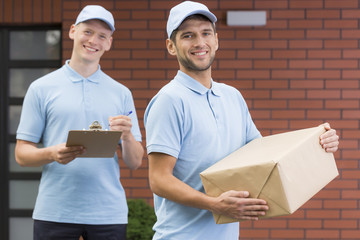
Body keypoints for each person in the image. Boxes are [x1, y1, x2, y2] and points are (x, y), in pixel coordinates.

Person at [144, 1, 339, 239]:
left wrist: (317, 142)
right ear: (171, 47)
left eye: (206, 33)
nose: (199, 42)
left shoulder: (232, 96)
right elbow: (159, 179)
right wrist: (214, 203)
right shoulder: (169, 100)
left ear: (216, 40)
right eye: (188, 35)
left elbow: (263, 156)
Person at [15, 5, 144, 240]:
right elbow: (21, 154)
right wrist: (52, 153)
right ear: (73, 31)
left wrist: (126, 136)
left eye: (102, 36)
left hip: (109, 214)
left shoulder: (121, 93)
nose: (94, 40)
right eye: (88, 31)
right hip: (55, 212)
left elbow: (135, 162)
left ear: (109, 43)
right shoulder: (41, 88)